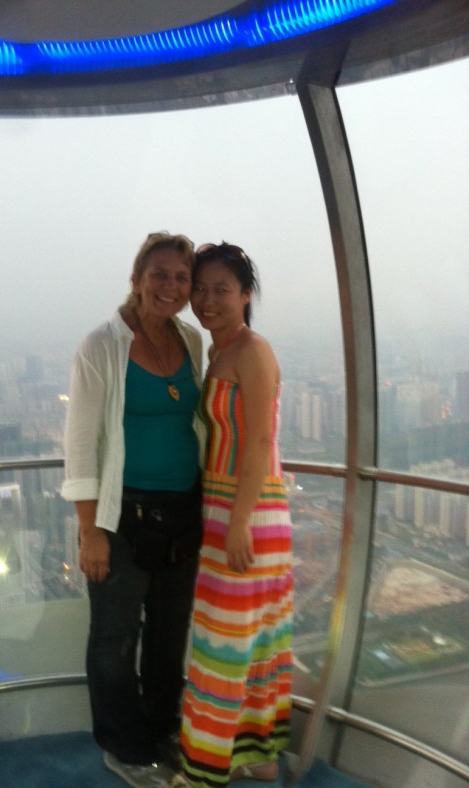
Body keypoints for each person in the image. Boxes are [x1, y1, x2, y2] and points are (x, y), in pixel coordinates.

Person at [62, 232, 205, 788]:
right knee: (115, 639)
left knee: (170, 635)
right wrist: (90, 531)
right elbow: (80, 442)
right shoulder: (103, 345)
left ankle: (162, 730)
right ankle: (124, 747)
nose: (170, 286)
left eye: (181, 278)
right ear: (137, 278)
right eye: (159, 274)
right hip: (121, 516)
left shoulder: (190, 339)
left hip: (183, 512)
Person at [174, 242, 293, 787]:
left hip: (249, 512)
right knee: (246, 641)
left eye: (221, 289)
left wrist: (239, 521)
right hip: (226, 506)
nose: (207, 299)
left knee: (221, 648)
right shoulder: (217, 351)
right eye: (199, 288)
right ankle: (257, 755)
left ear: (246, 294)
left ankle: (202, 771)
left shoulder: (252, 350)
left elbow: (261, 440)